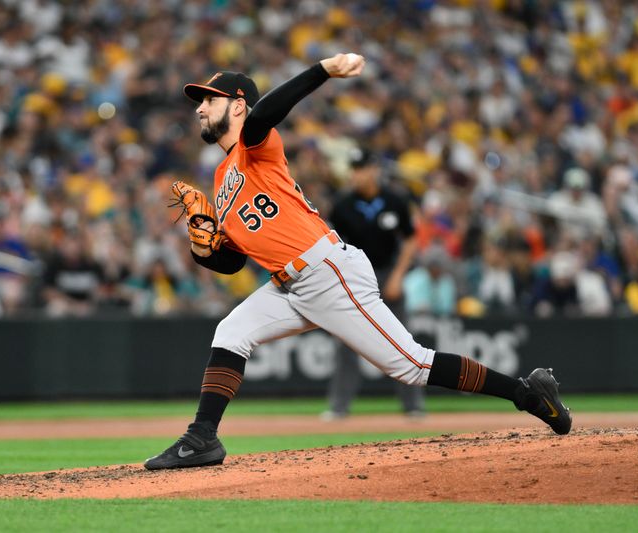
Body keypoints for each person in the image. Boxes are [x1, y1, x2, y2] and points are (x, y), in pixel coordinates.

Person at [144, 53, 572, 471]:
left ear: (237, 105)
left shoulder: (257, 144)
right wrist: (202, 245)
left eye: (209, 99)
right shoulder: (222, 180)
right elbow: (232, 262)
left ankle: (527, 392)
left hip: (325, 271)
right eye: (200, 101)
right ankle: (202, 437)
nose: (200, 108)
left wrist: (321, 71)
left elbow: (262, 118)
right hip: (287, 285)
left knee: (412, 365)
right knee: (232, 331)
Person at [322, 147, 425, 419]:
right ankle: (339, 406)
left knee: (402, 340)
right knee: (347, 340)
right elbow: (331, 243)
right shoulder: (343, 204)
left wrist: (399, 275)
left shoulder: (395, 201)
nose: (355, 174)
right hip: (356, 277)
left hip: (387, 272)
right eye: (353, 169)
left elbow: (411, 239)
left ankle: (413, 405)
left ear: (374, 170)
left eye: (360, 168)